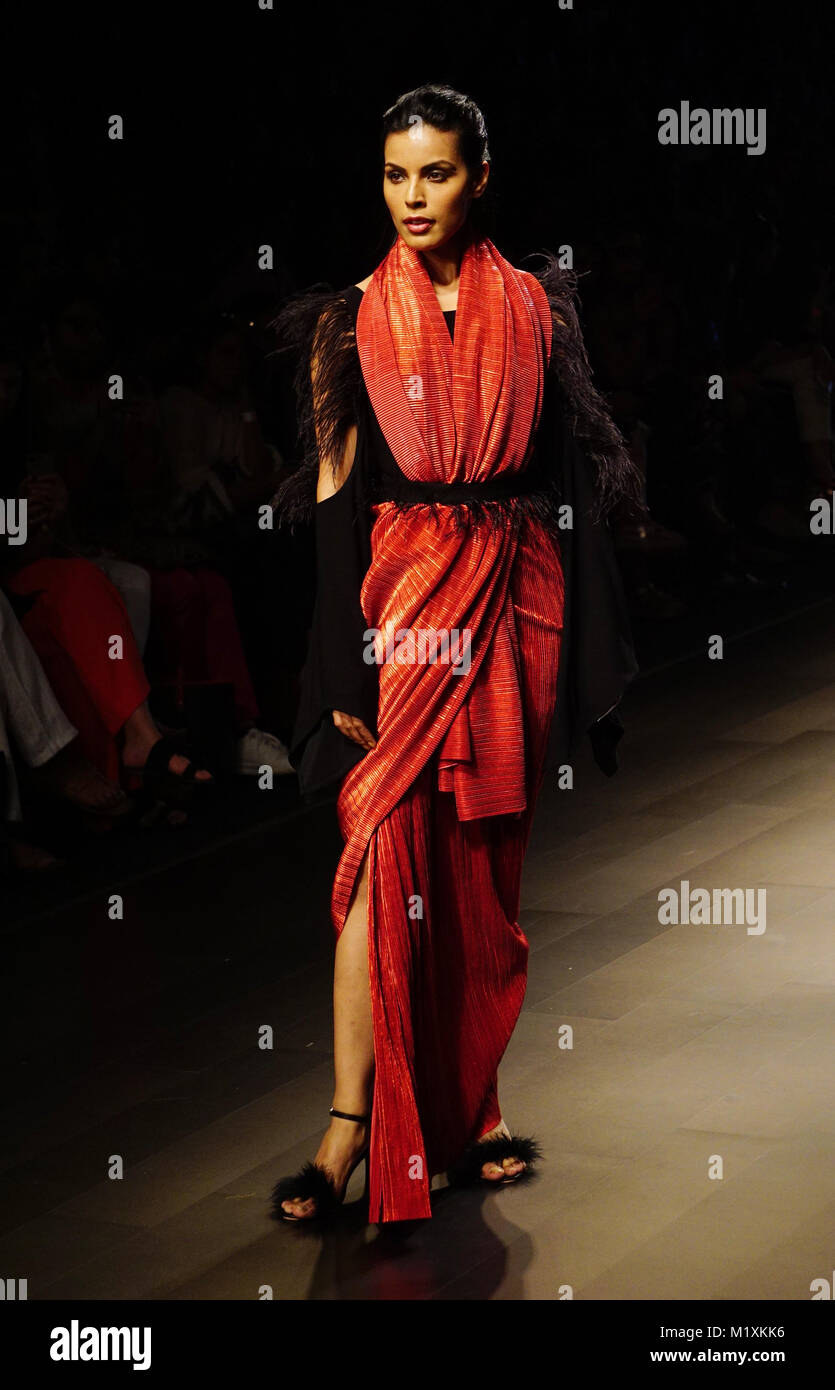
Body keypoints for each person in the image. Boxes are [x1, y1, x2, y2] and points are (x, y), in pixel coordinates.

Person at [269, 85, 640, 1226]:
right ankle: (347, 1129)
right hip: (401, 610)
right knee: (381, 855)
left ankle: (469, 1107)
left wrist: (591, 656)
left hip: (506, 601)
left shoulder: (531, 311)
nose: (411, 197)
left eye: (433, 173)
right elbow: (335, 507)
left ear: (480, 175)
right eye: (393, 175)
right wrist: (341, 672)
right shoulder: (348, 323)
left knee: (478, 870)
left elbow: (568, 490)